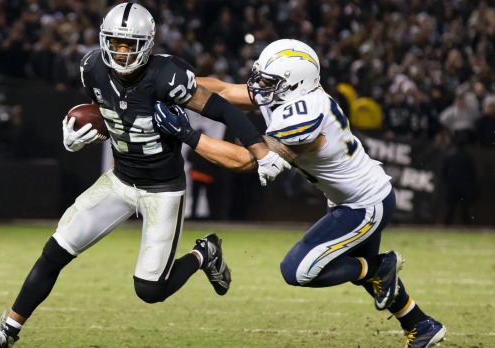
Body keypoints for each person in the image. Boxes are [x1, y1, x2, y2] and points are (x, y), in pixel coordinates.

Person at [0, 4, 290, 348]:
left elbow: (222, 108)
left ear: (147, 45)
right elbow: (114, 112)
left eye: (128, 44)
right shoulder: (92, 69)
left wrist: (260, 149)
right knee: (55, 251)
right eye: (115, 43)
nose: (120, 52)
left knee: (150, 290)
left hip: (163, 189)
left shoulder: (168, 75)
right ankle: (6, 333)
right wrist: (83, 133)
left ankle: (203, 253)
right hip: (119, 180)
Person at [154, 39, 446, 348]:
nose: (259, 86)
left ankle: (378, 267)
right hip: (351, 199)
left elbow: (248, 160)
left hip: (364, 204)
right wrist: (173, 83)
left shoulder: (304, 118)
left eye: (270, 81)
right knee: (367, 275)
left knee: (298, 270)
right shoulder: (291, 94)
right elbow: (224, 91)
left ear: (296, 83)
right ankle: (422, 325)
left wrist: (186, 134)